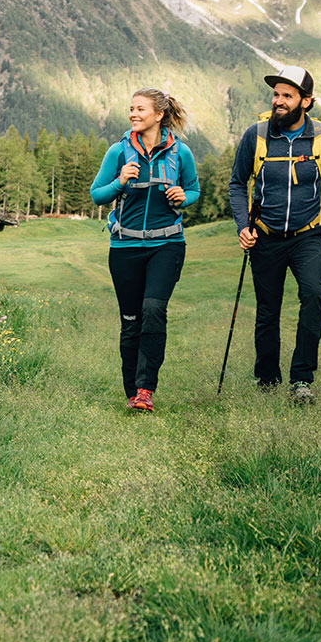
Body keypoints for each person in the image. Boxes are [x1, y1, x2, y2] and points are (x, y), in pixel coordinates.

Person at [229, 66, 321, 404]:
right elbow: (237, 183)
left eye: (287, 96)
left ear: (306, 101)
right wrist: (243, 226)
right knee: (268, 310)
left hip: (307, 236)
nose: (278, 101)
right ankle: (267, 379)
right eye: (276, 94)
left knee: (313, 296)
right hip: (265, 236)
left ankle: (302, 380)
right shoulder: (257, 135)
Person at [90, 87, 201, 412]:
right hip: (124, 247)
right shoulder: (118, 152)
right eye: (131, 109)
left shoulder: (181, 153)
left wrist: (184, 196)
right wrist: (120, 181)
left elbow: (194, 190)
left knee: (153, 310)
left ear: (159, 114)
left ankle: (145, 390)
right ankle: (131, 390)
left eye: (140, 109)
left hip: (167, 245)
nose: (133, 115)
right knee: (131, 320)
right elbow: (98, 195)